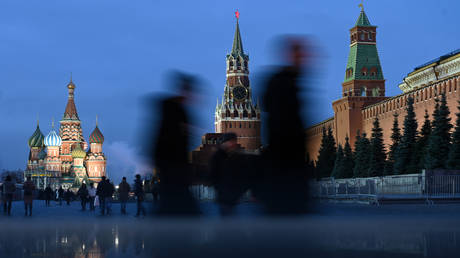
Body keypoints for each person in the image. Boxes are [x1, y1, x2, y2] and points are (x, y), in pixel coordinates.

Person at [259, 37, 311, 214]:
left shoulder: (291, 81)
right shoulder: (281, 82)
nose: (305, 59)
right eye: (301, 55)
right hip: (285, 168)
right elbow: (283, 126)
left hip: (287, 169)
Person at [152, 72, 200, 215]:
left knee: (172, 201)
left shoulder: (175, 109)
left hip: (172, 163)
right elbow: (170, 138)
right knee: (176, 200)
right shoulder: (175, 110)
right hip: (173, 163)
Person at [210, 133, 249, 216]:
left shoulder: (237, 156)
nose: (233, 144)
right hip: (224, 196)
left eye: (234, 141)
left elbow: (243, 175)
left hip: (234, 197)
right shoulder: (218, 156)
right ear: (225, 142)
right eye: (231, 141)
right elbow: (212, 175)